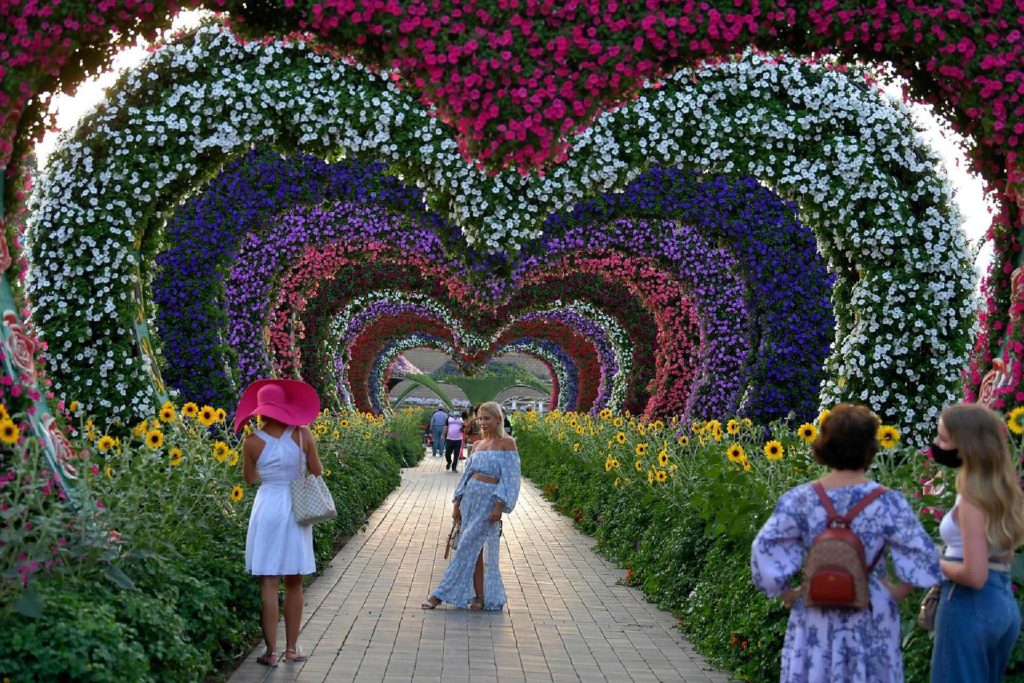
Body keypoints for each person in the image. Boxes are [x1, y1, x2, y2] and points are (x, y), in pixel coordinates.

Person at [751, 403, 940, 682]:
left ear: (824, 446)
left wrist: (786, 592)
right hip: (870, 610)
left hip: (815, 610)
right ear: (870, 448)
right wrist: (897, 592)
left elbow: (763, 548)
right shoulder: (887, 501)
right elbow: (923, 555)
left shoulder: (801, 499)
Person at [929, 403, 1024, 682]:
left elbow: (974, 574)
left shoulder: (972, 498)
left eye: (943, 438)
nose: (936, 444)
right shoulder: (1002, 492)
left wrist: (933, 560)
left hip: (969, 604)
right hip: (1002, 603)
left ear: (966, 445)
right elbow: (1003, 556)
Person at [235, 379, 323, 668]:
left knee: (269, 582)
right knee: (294, 581)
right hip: (295, 507)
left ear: (260, 411)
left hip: (267, 507)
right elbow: (317, 470)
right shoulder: (302, 435)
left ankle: (270, 652)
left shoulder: (251, 441)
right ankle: (292, 648)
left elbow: (250, 480)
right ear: (285, 407)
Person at [422, 401, 521, 611]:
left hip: (488, 504)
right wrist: (456, 504)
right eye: (480, 419)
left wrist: (499, 506)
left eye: (487, 419)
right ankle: (479, 597)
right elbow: (465, 477)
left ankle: (439, 594)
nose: (483, 423)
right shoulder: (477, 445)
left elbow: (511, 478)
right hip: (470, 501)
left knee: (466, 546)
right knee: (473, 551)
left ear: (498, 419)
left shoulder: (507, 443)